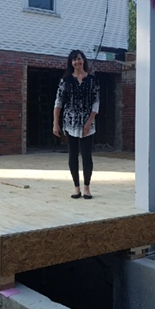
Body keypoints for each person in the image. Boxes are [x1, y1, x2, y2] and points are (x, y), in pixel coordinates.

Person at [53, 50, 100, 199]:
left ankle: (87, 187)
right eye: (73, 60)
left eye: (78, 59)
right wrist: (55, 123)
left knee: (87, 155)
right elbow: (58, 103)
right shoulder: (65, 81)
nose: (76, 62)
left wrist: (89, 122)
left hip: (88, 123)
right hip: (70, 123)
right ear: (71, 63)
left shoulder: (92, 80)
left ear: (83, 60)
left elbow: (96, 102)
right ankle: (76, 188)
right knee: (72, 155)